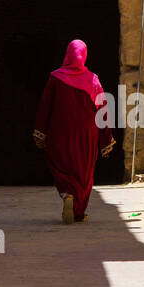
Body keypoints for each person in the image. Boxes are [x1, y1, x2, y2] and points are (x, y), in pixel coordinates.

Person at [33, 39, 115, 223]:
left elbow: (45, 106)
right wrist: (106, 138)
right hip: (87, 133)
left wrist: (40, 131)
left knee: (61, 165)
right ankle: (78, 211)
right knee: (83, 170)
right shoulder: (93, 79)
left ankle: (66, 193)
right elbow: (102, 109)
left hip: (60, 131)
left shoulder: (55, 77)